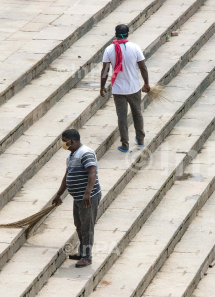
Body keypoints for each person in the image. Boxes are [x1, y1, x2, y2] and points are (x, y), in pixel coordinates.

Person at [53, 129, 102, 268]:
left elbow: (92, 172)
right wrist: (58, 194)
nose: (63, 143)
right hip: (78, 197)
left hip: (88, 198)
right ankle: (82, 252)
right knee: (79, 225)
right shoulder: (71, 156)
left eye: (64, 140)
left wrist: (87, 193)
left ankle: (87, 257)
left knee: (87, 227)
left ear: (72, 141)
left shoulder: (85, 153)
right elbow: (67, 176)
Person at [100, 24, 150, 153]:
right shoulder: (135, 48)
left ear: (115, 34)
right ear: (128, 34)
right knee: (137, 113)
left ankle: (125, 145)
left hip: (118, 90)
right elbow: (143, 68)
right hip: (134, 88)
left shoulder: (109, 50)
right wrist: (147, 84)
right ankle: (140, 140)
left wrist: (102, 86)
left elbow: (105, 71)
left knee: (122, 117)